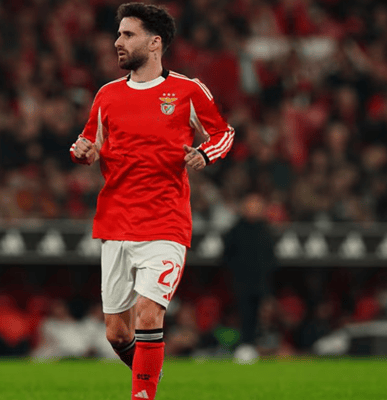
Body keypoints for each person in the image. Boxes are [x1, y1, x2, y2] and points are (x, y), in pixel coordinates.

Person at [70, 3, 234, 399]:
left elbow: (223, 133)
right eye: (118, 34)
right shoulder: (107, 94)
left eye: (128, 34)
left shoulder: (187, 90)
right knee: (117, 333)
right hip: (115, 223)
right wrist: (82, 151)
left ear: (155, 42)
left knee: (148, 312)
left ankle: (143, 395)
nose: (118, 41)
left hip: (165, 223)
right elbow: (88, 143)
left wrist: (205, 153)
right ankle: (150, 373)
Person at [222, 193, 278, 363]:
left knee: (260, 318)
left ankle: (254, 346)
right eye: (250, 206)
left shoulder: (267, 231)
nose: (253, 209)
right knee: (242, 315)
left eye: (256, 206)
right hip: (239, 283)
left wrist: (267, 286)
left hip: (261, 284)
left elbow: (271, 259)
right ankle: (242, 347)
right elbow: (226, 257)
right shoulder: (235, 231)